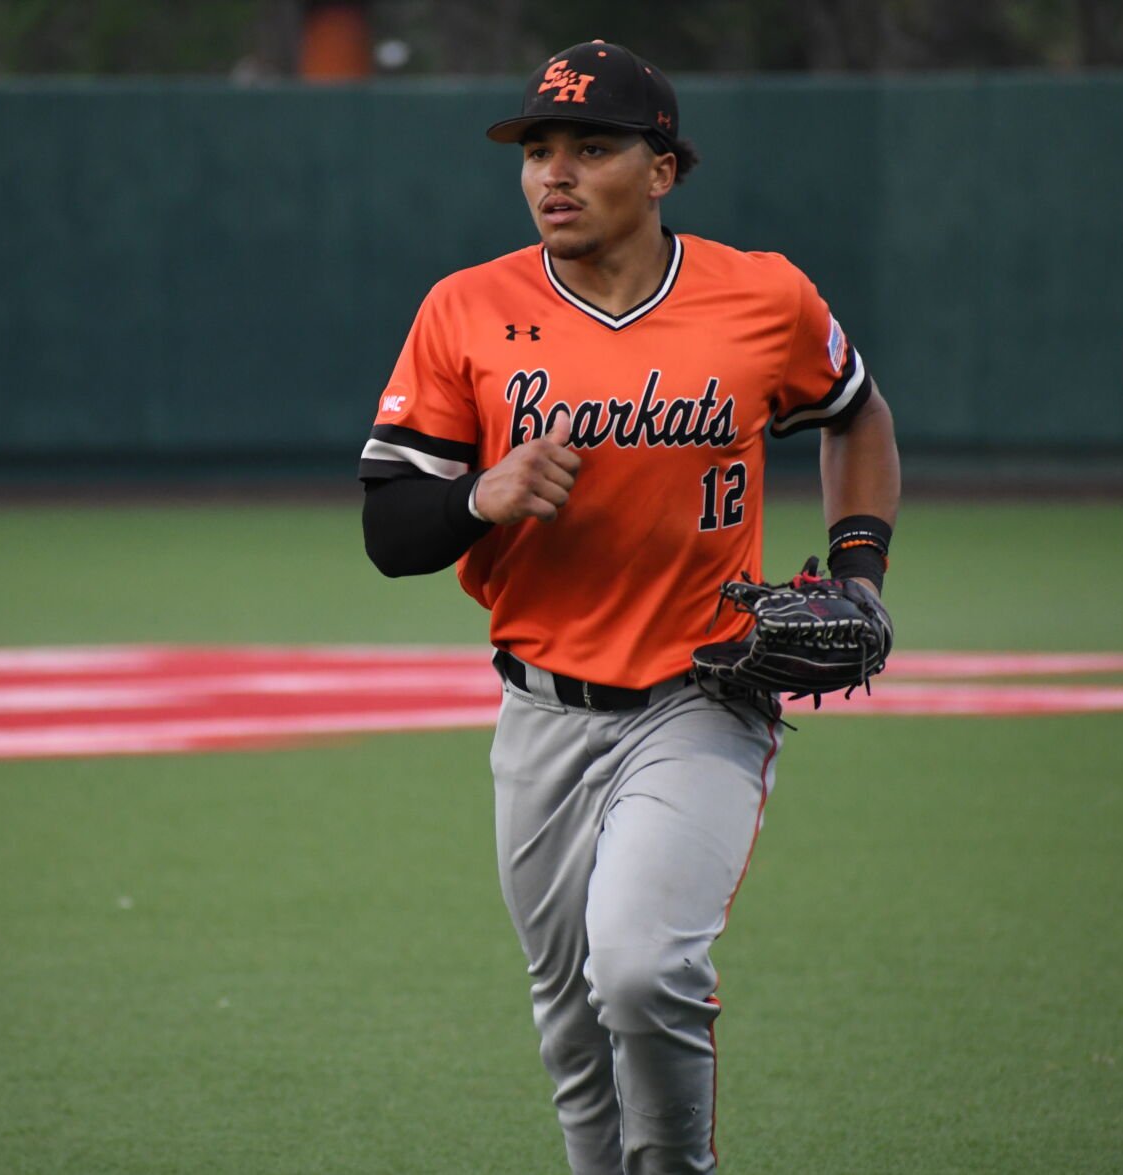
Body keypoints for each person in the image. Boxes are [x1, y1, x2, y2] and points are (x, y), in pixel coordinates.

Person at [358, 40, 901, 1175]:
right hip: (540, 711)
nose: (553, 173)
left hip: (702, 692)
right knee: (570, 1024)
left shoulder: (761, 295)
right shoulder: (465, 309)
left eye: (590, 148)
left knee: (641, 968)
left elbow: (854, 411)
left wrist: (857, 573)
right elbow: (389, 532)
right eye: (537, 150)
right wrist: (478, 493)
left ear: (659, 170)